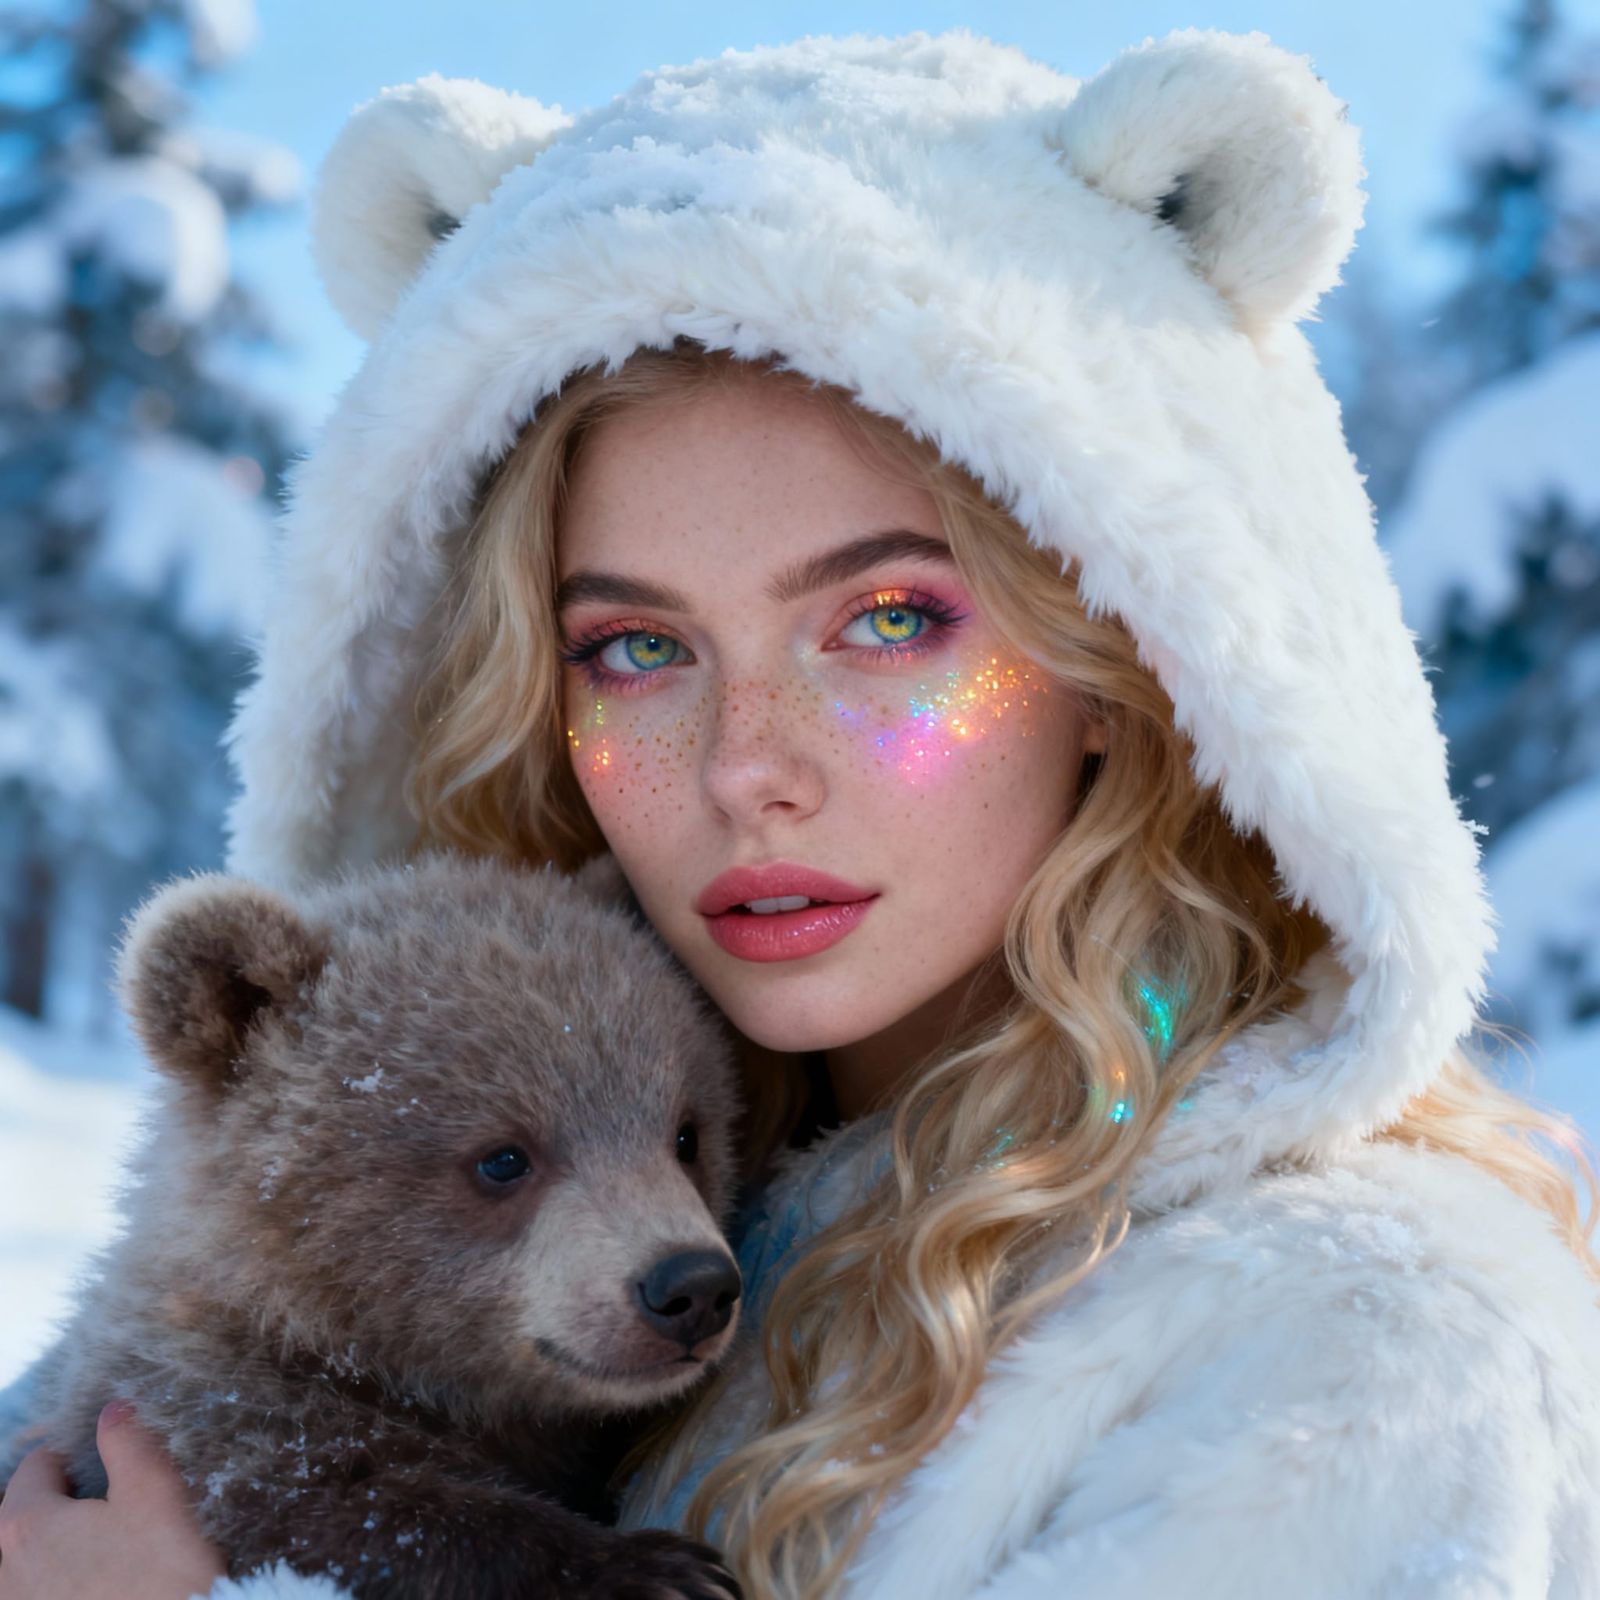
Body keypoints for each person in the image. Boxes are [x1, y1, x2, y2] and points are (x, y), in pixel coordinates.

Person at [3, 24, 1598, 1600]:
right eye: (638, 650)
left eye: (889, 623)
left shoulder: (1350, 1352)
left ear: (1133, 656)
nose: (742, 765)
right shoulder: (727, 1231)